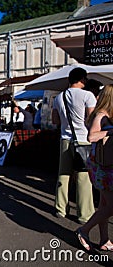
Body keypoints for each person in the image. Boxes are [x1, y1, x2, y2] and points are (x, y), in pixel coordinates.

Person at [52, 67, 96, 224]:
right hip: (83, 139)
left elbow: (55, 121)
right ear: (83, 79)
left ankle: (60, 209)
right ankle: (84, 214)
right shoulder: (88, 96)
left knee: (63, 175)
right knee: (83, 178)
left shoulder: (59, 97)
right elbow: (91, 119)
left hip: (65, 139)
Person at [75, 84, 113, 251]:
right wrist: (110, 132)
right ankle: (83, 230)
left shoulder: (105, 114)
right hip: (101, 166)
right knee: (110, 206)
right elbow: (92, 136)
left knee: (104, 204)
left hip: (102, 165)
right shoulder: (101, 115)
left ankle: (104, 239)